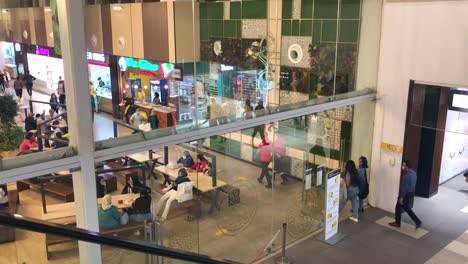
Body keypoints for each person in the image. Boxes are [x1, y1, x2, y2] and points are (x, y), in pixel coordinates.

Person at [389, 160, 422, 229]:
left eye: (403, 165)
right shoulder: (414, 173)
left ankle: (398, 223)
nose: (402, 167)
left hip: (405, 194)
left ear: (406, 166)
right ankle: (417, 221)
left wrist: (401, 197)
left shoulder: (406, 176)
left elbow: (404, 188)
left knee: (398, 207)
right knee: (406, 207)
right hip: (411, 193)